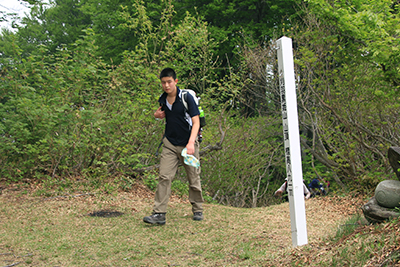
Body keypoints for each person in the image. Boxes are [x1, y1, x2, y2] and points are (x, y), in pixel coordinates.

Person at [143, 68, 204, 225]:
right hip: (170, 143)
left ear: (175, 81)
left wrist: (191, 143)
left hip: (188, 144)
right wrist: (156, 116)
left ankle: (198, 209)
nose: (166, 85)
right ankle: (159, 214)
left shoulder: (186, 97)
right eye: (163, 82)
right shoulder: (162, 99)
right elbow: (162, 115)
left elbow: (196, 122)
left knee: (193, 177)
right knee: (164, 176)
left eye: (169, 82)